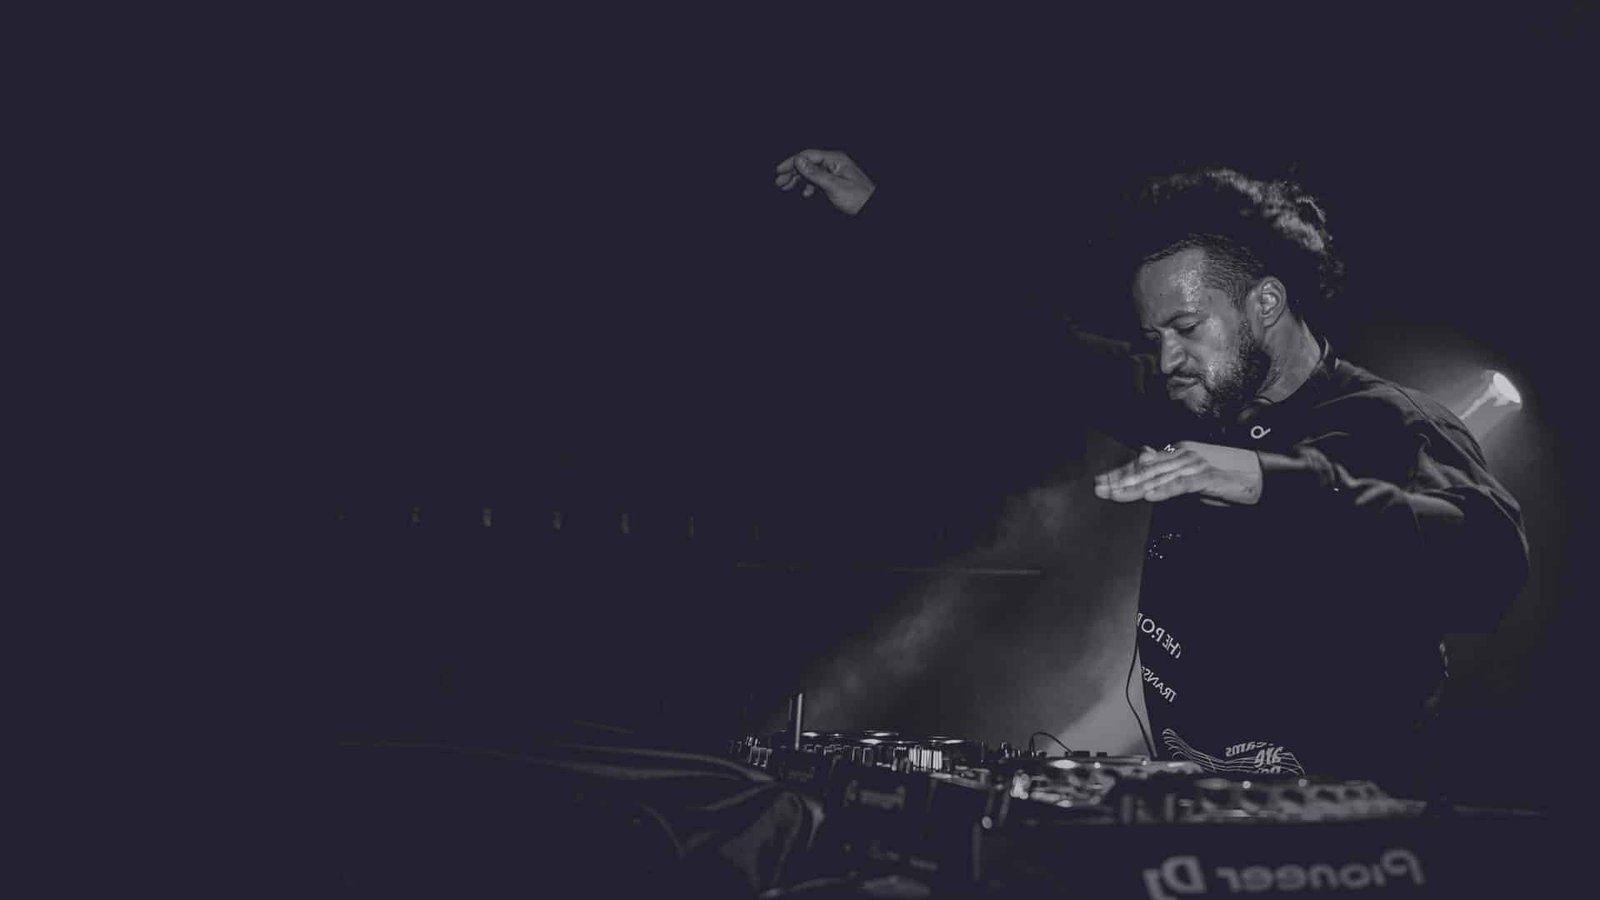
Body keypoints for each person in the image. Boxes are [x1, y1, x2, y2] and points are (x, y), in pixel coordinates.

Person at [772, 149, 1529, 794]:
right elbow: (1025, 341)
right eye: (1154, 335)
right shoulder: (1194, 408)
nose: (1169, 359)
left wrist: (1270, 479)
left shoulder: (1391, 423)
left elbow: (1489, 561)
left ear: (1266, 302)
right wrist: (881, 213)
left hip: (1349, 829)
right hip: (1203, 807)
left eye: (1187, 327)